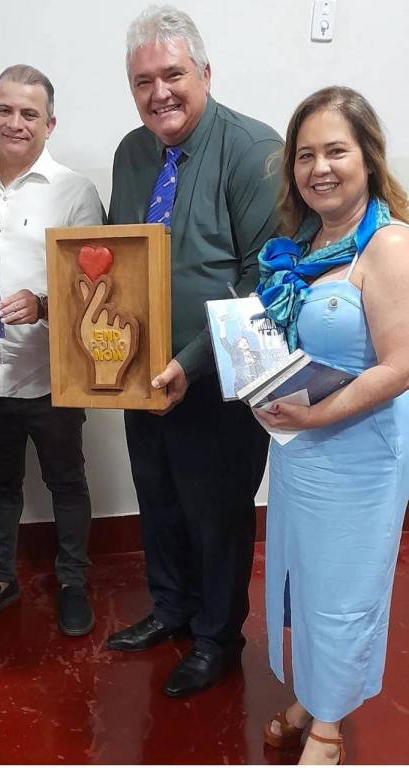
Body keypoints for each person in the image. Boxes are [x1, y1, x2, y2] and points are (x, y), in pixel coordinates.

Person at [106, 5, 281, 697]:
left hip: (221, 374)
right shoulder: (131, 152)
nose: (159, 93)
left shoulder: (254, 150)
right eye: (142, 81)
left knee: (218, 514)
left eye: (173, 75)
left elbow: (265, 281)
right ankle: (171, 608)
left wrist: (190, 361)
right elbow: (117, 260)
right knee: (158, 498)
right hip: (141, 371)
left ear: (205, 72)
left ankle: (216, 639)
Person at [257, 86, 409, 764]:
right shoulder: (303, 246)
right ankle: (315, 696)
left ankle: (329, 727)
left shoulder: (389, 246)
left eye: (336, 151)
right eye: (305, 154)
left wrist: (316, 414)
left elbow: (402, 365)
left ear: (367, 158)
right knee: (308, 582)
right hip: (302, 448)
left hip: (360, 453)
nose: (319, 168)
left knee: (345, 590)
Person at [0, 65, 104, 636]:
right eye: (5, 110)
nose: (16, 123)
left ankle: (73, 581)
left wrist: (41, 303)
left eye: (29, 113)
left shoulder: (76, 191)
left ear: (49, 124)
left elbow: (97, 288)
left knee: (67, 482)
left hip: (52, 373)